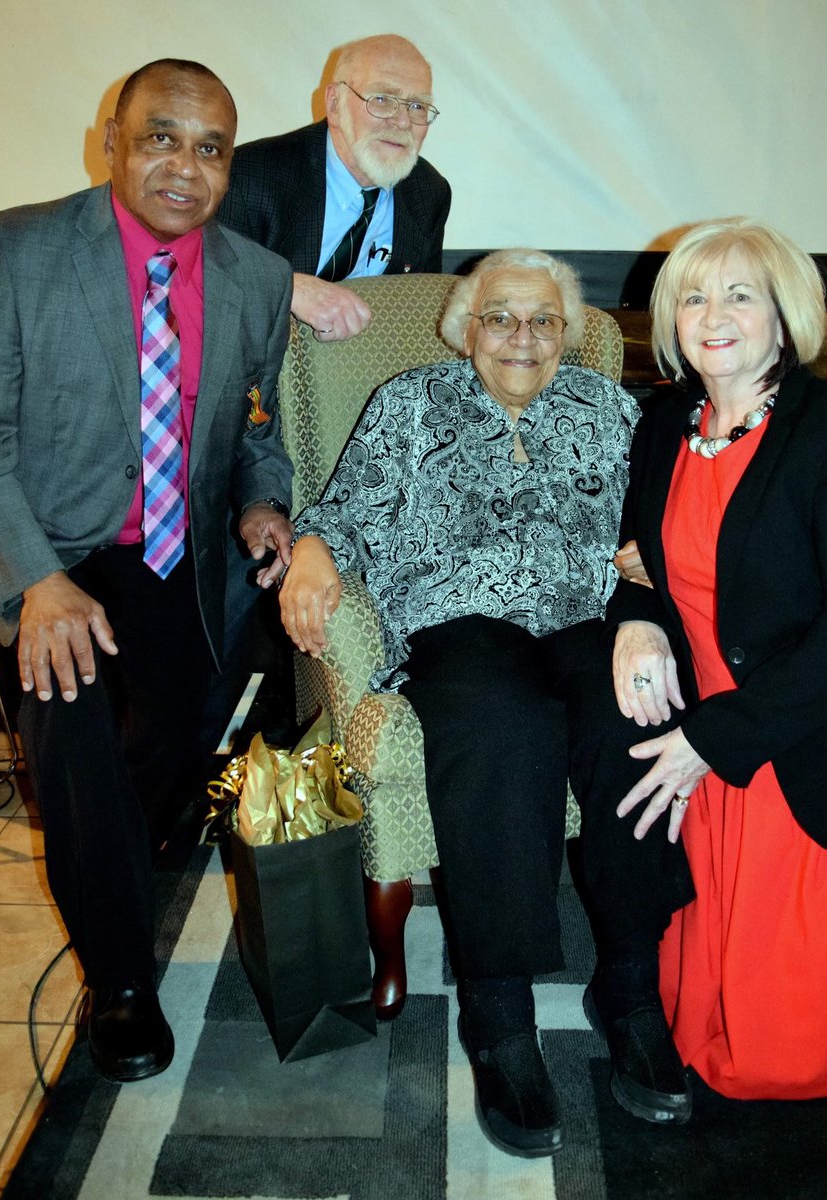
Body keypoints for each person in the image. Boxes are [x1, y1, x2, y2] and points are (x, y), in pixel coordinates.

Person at [279, 249, 694, 1157]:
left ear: (569, 335)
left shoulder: (610, 411)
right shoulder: (409, 402)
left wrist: (650, 581)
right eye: (501, 317)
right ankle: (499, 1013)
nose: (523, 338)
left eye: (545, 321)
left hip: (586, 619)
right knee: (503, 730)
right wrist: (311, 549)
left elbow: (658, 525)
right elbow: (344, 511)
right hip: (458, 623)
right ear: (465, 327)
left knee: (638, 720)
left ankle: (628, 985)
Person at [0, 59, 295, 1082]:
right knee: (71, 714)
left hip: (177, 555)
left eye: (211, 148)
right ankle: (122, 983)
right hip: (47, 547)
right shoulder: (15, 249)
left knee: (175, 737)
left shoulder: (256, 279)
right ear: (110, 140)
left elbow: (259, 432)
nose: (186, 166)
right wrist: (37, 581)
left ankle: (117, 853)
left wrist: (262, 505)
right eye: (162, 136)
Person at [607, 217, 827, 1100]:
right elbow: (648, 561)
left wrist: (720, 739)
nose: (712, 314)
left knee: (779, 1047)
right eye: (694, 296)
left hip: (817, 729)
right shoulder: (664, 425)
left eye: (740, 294)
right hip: (717, 731)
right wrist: (636, 622)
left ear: (784, 316)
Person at [217, 33, 451, 342]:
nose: (403, 122)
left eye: (418, 106)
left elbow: (419, 312)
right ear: (334, 103)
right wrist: (287, 287)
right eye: (382, 99)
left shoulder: (429, 194)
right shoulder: (253, 174)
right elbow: (209, 280)